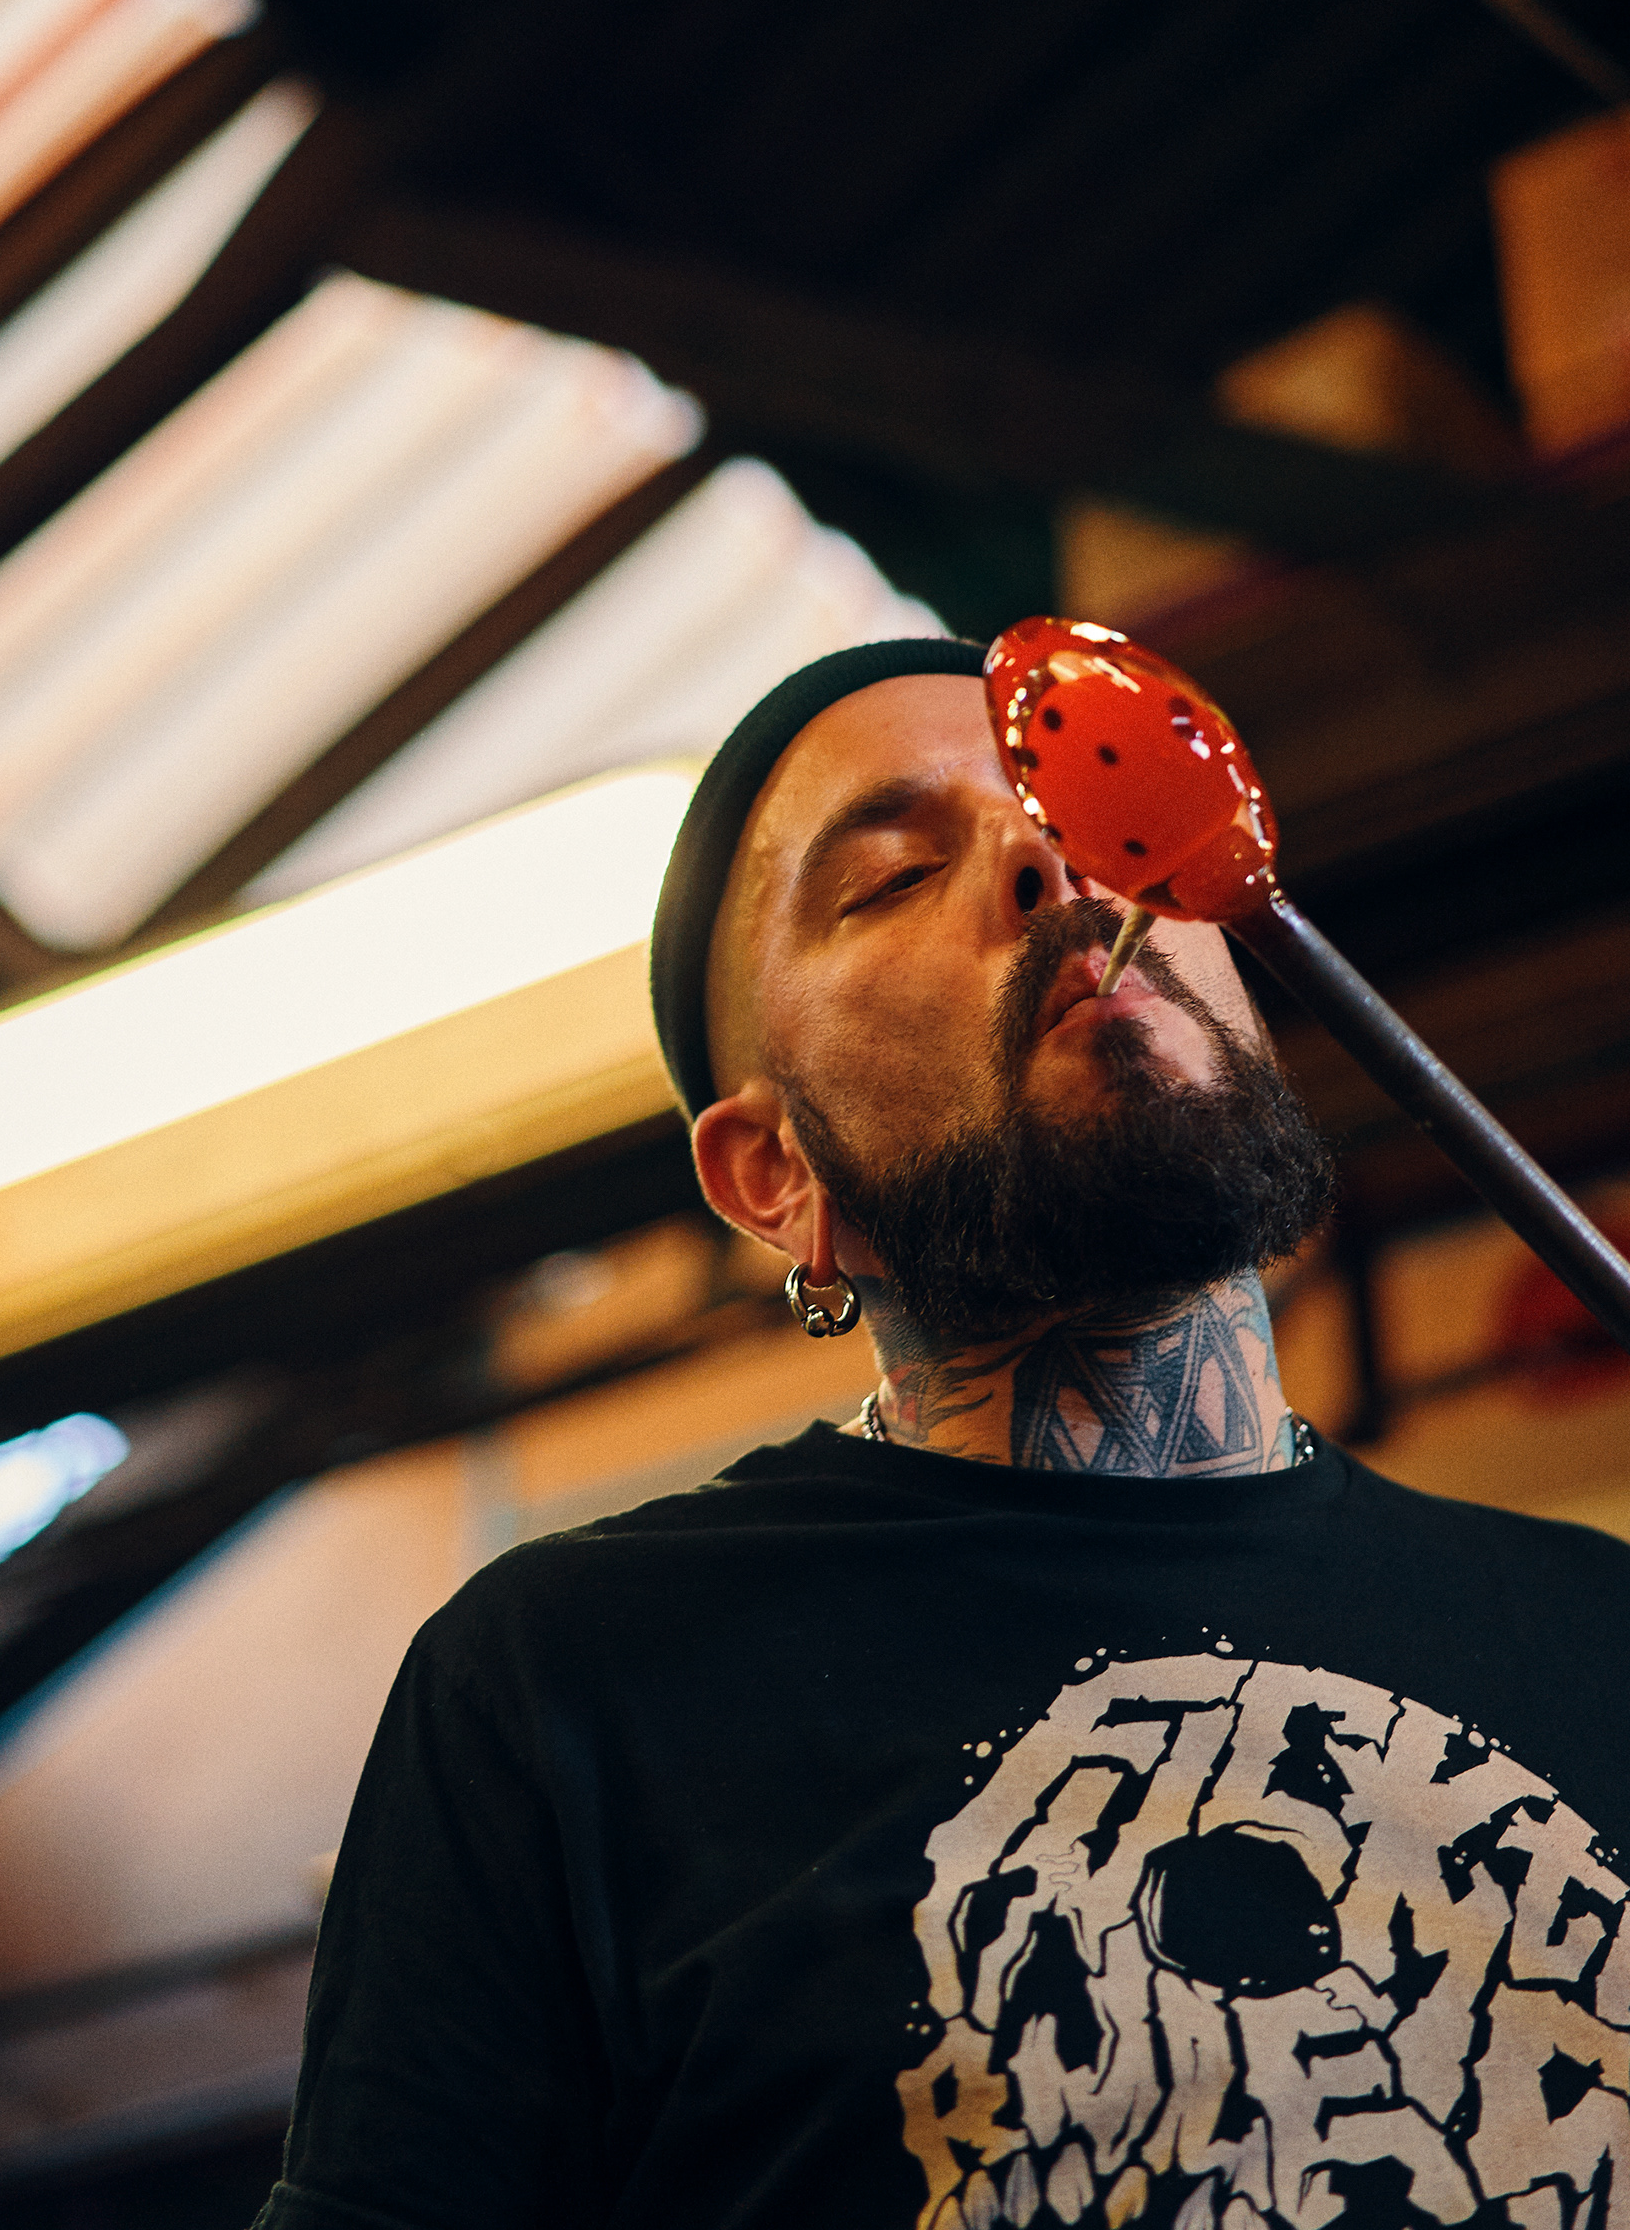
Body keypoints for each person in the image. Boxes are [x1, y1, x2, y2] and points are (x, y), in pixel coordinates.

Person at [254, 638, 1630, 2230]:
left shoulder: (1600, 1628)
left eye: (1092, 809)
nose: (1054, 858)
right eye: (897, 875)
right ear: (778, 1178)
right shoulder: (569, 1684)